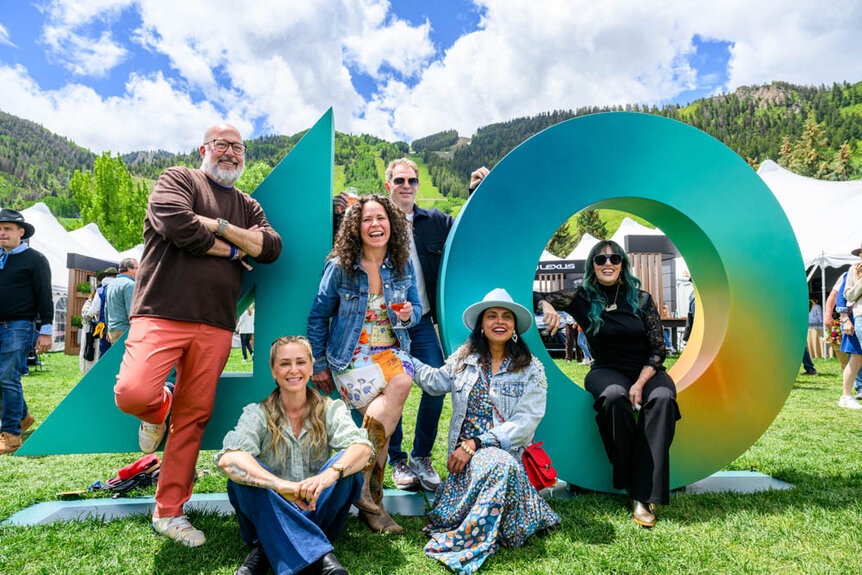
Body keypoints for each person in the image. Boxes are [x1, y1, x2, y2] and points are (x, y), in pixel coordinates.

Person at [113, 123, 282, 547]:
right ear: (204, 148)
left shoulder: (248, 203)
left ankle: (169, 511)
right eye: (222, 145)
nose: (230, 153)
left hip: (218, 322)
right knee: (133, 393)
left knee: (194, 418)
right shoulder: (178, 178)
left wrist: (220, 226)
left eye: (237, 147)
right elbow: (178, 225)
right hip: (161, 311)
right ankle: (159, 408)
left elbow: (271, 247)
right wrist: (234, 249)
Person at [411, 288, 560, 573]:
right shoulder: (463, 360)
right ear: (482, 323)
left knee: (501, 463)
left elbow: (525, 423)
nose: (499, 321)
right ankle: (499, 526)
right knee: (496, 467)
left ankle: (468, 539)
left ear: (515, 326)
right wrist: (404, 358)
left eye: (506, 316)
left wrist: (477, 443)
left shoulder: (531, 369)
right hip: (464, 466)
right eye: (492, 316)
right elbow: (432, 382)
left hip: (503, 457)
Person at [542, 240, 680, 527]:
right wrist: (547, 305)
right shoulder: (581, 297)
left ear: (622, 264)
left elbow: (658, 349)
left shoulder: (640, 299)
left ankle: (642, 494)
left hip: (646, 370)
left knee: (663, 399)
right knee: (614, 397)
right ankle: (635, 487)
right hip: (606, 370)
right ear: (592, 264)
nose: (608, 264)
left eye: (614, 259)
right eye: (601, 259)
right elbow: (535, 296)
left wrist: (641, 382)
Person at [307, 193, 419, 534]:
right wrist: (319, 365)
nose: (375, 225)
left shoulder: (402, 265)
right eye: (367, 219)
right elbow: (318, 316)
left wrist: (409, 314)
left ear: (392, 225)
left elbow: (413, 311)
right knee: (387, 414)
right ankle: (373, 501)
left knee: (398, 386)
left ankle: (368, 492)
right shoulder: (340, 266)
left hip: (390, 352)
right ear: (355, 227)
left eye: (381, 219)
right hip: (349, 358)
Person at [217, 336, 371, 575]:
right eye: (284, 363)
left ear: (311, 367)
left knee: (348, 472)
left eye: (300, 362)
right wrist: (279, 485)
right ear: (273, 371)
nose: (293, 370)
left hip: (316, 504)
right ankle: (321, 558)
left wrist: (328, 477)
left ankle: (265, 551)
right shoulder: (257, 413)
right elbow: (229, 459)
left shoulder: (330, 409)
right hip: (269, 506)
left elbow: (363, 449)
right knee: (243, 474)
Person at [0, 209, 52, 454]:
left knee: (7, 377)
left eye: (7, 229)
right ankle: (22, 417)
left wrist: (46, 330)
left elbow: (45, 295)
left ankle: (10, 435)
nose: (2, 233)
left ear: (21, 232)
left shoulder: (35, 259)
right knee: (3, 377)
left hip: (20, 325)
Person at [105, 257, 138, 343]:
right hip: (125, 330)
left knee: (117, 356)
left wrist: (108, 329)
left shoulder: (110, 285)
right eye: (136, 268)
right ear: (129, 269)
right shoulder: (130, 284)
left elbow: (106, 309)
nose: (138, 271)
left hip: (112, 330)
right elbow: (131, 310)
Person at [91, 266, 118, 357]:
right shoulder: (120, 288)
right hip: (119, 326)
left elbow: (94, 309)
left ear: (105, 276)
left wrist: (88, 315)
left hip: (104, 325)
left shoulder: (101, 290)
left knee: (104, 353)